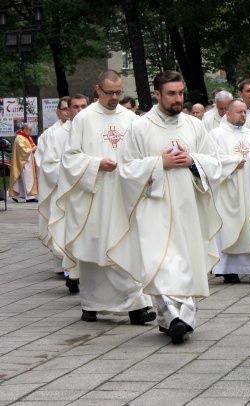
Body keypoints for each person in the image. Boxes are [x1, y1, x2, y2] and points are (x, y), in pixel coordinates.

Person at [108, 71, 239, 344]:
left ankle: (179, 320)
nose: (178, 98)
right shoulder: (140, 127)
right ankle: (174, 318)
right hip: (154, 209)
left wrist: (192, 161)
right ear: (157, 94)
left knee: (188, 263)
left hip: (188, 209)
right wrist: (159, 164)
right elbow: (127, 169)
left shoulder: (194, 125)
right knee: (161, 264)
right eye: (171, 93)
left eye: (180, 93)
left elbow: (214, 161)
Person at [51, 70, 155, 324]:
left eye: (119, 92)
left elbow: (142, 154)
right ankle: (91, 304)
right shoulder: (83, 119)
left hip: (124, 195)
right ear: (98, 89)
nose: (115, 97)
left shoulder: (131, 119)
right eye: (110, 92)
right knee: (95, 248)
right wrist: (96, 163)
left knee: (126, 247)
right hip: (94, 196)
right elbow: (70, 158)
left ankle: (136, 305)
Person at [209, 99, 250, 283]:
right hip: (229, 189)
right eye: (239, 112)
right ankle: (228, 270)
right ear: (227, 114)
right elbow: (211, 160)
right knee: (228, 226)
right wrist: (231, 163)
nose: (243, 115)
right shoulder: (216, 135)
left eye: (245, 112)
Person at [39, 94, 87, 289]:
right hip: (66, 194)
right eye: (74, 107)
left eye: (83, 106)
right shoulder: (56, 136)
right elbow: (48, 166)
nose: (78, 111)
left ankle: (84, 273)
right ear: (66, 111)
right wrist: (72, 171)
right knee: (68, 234)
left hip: (88, 192)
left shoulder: (91, 131)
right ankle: (71, 273)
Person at [36, 97, 69, 167]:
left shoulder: (81, 130)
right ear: (58, 112)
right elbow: (41, 162)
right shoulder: (48, 134)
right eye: (64, 109)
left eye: (70, 108)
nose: (68, 111)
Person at [9, 123, 38, 203]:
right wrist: (32, 149)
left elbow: (32, 145)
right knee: (26, 179)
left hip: (28, 161)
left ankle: (21, 195)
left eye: (31, 130)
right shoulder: (19, 138)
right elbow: (23, 151)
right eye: (29, 130)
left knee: (24, 180)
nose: (30, 132)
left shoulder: (27, 137)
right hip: (24, 162)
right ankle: (29, 197)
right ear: (24, 129)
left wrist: (34, 148)